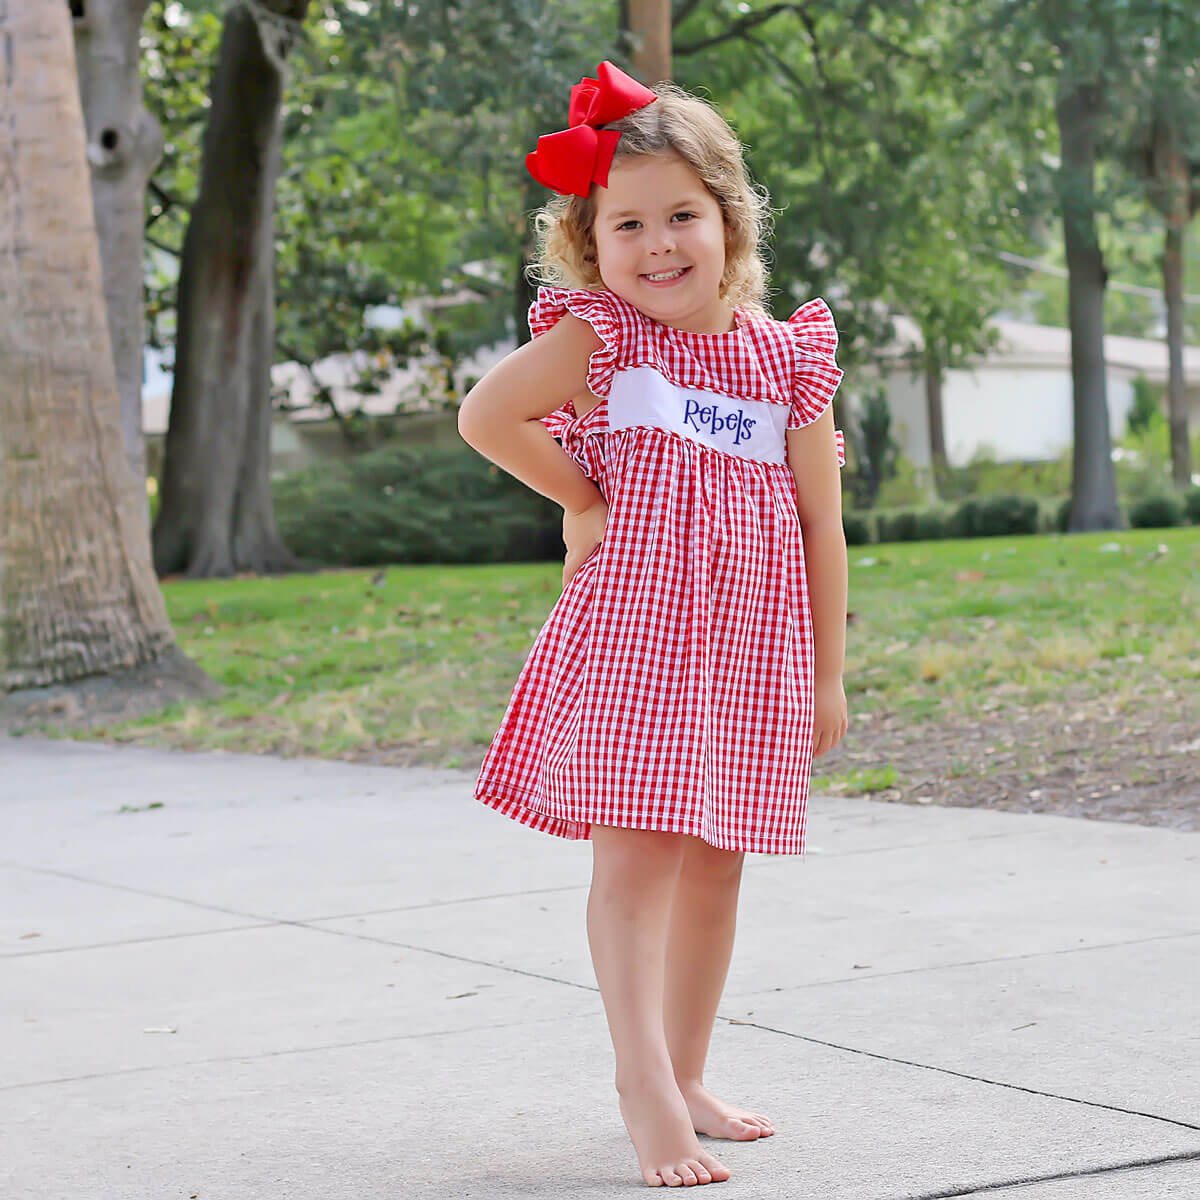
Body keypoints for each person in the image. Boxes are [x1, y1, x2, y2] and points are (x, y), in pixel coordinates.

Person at [457, 60, 849, 1189]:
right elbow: (489, 415)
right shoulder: (607, 342)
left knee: (719, 864)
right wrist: (583, 497)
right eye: (627, 224)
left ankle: (686, 1070)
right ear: (592, 243)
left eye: (683, 215)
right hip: (641, 641)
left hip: (753, 652)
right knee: (637, 862)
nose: (658, 245)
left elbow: (821, 526)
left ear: (729, 222)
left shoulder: (787, 359)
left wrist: (827, 677)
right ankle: (640, 1084)